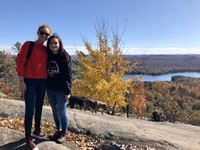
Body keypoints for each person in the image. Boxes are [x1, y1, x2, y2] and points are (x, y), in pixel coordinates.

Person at [16, 24, 52, 150]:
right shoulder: (28, 45)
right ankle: (28, 139)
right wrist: (21, 81)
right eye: (42, 32)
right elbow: (20, 62)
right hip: (29, 81)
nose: (44, 36)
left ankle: (37, 130)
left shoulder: (46, 49)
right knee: (30, 109)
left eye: (47, 34)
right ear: (38, 32)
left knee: (39, 107)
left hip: (42, 82)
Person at [46, 33, 72, 144]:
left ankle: (64, 132)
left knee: (62, 112)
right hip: (50, 89)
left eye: (55, 43)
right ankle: (58, 130)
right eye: (51, 43)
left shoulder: (64, 57)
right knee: (54, 111)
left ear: (59, 43)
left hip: (61, 90)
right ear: (49, 45)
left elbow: (68, 76)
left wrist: (68, 91)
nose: (53, 45)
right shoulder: (48, 55)